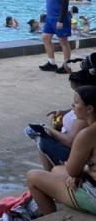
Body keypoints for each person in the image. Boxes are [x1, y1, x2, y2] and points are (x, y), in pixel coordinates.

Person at [27, 85, 96, 216]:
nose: (73, 106)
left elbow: (72, 170)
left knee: (32, 177)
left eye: (76, 102)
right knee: (56, 170)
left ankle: (52, 217)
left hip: (94, 195)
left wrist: (84, 171)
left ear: (90, 109)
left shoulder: (87, 134)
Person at [40, 0, 73, 74]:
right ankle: (51, 63)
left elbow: (65, 5)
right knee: (45, 38)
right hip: (50, 19)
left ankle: (66, 66)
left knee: (63, 41)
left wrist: (61, 20)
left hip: (60, 19)